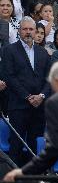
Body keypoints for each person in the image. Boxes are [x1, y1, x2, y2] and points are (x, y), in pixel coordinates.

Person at [2, 16, 51, 167]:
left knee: (35, 145)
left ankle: (34, 179)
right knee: (16, 144)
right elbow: (9, 76)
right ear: (19, 31)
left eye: (31, 29)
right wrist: (28, 96)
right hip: (18, 106)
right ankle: (15, 179)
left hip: (39, 107)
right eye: (25, 29)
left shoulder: (43, 52)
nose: (28, 32)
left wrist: (41, 96)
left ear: (36, 31)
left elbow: (49, 77)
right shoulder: (9, 50)